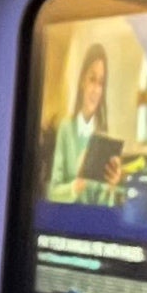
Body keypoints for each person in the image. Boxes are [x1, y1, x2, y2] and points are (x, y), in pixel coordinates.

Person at [46, 45, 122, 206]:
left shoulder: (104, 137)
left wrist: (111, 187)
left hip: (93, 224)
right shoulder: (66, 129)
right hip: (67, 221)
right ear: (82, 81)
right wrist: (76, 185)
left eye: (101, 83)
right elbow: (52, 192)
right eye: (92, 79)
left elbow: (102, 207)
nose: (95, 89)